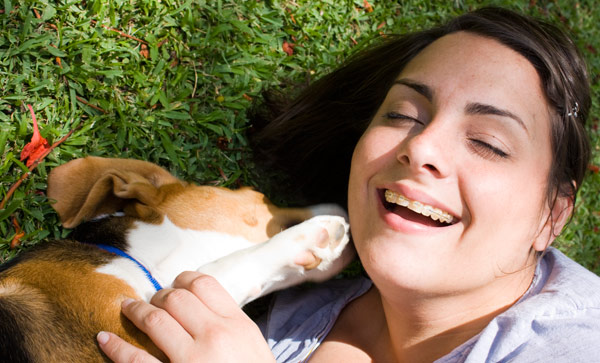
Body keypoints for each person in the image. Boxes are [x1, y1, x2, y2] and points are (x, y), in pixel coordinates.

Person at [97, 7, 600, 362]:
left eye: (488, 142)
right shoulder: (281, 314)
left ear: (552, 215)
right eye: (403, 113)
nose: (421, 147)